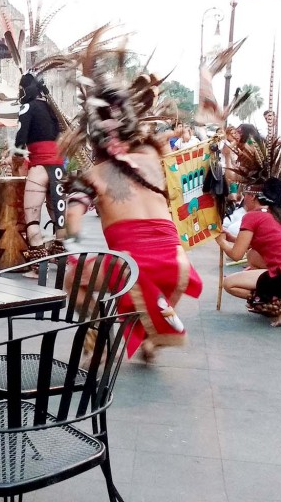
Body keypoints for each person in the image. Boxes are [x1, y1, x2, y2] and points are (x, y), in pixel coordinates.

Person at [60, 28, 203, 362]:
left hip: (134, 267)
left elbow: (72, 223)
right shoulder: (154, 157)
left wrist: (69, 243)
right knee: (144, 291)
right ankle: (152, 341)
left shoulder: (92, 175)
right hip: (176, 264)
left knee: (74, 278)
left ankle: (97, 335)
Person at [216, 179, 281, 327]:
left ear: (252, 197)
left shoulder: (252, 216)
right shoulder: (280, 212)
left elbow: (236, 255)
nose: (243, 199)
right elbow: (260, 241)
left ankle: (273, 300)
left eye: (245, 194)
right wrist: (231, 238)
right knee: (253, 255)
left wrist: (221, 242)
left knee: (229, 283)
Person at [7, 73, 67, 266]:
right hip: (58, 168)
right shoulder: (53, 109)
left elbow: (20, 139)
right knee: (59, 218)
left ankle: (37, 268)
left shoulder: (27, 107)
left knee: (32, 218)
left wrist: (15, 158)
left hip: (39, 168)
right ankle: (60, 260)